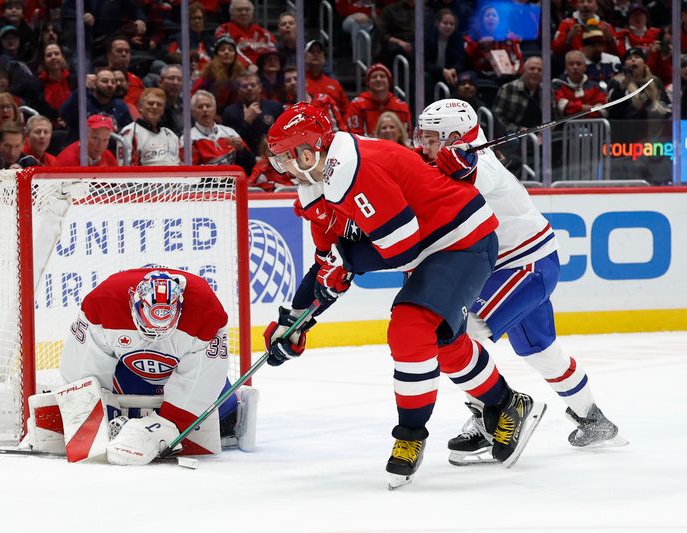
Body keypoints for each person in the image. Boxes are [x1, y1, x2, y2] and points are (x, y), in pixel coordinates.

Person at [265, 102, 546, 487]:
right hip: (433, 248)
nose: (280, 168)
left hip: (462, 240)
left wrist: (344, 264)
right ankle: (506, 403)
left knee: (410, 329)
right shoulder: (315, 185)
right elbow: (326, 260)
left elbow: (400, 248)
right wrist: (293, 321)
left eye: (284, 158)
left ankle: (410, 437)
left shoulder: (353, 168)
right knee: (446, 345)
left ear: (307, 151)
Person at [414, 99, 625, 464]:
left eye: (432, 138)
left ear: (452, 137)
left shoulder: (482, 163)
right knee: (542, 352)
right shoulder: (451, 160)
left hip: (527, 266)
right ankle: (594, 420)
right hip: (522, 266)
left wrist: (466, 167)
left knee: (454, 333)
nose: (423, 145)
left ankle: (495, 415)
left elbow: (479, 174)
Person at [56, 268, 255, 463]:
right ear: (134, 302)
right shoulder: (104, 302)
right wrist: (85, 414)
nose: (156, 337)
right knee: (122, 402)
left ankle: (226, 408)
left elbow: (204, 377)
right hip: (130, 371)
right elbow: (83, 369)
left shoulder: (206, 311)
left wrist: (167, 426)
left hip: (177, 369)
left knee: (223, 413)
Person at [183, 90, 255, 171]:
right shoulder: (188, 138)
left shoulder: (230, 132)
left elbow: (251, 165)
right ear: (193, 112)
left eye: (208, 106)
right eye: (200, 107)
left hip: (233, 180)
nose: (205, 110)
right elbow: (190, 172)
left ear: (215, 109)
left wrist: (241, 150)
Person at [59, 65, 133, 142]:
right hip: (82, 149)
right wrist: (83, 88)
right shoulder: (82, 101)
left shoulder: (120, 105)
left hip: (110, 150)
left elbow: (128, 131)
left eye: (113, 82)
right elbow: (64, 113)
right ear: (94, 84)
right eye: (105, 81)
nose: (110, 85)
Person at [221, 72, 283, 157]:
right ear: (238, 90)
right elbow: (231, 143)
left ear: (260, 87)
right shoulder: (230, 112)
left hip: (272, 157)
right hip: (244, 159)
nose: (249, 88)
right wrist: (246, 122)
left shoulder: (275, 107)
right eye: (244, 86)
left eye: (253, 85)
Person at [344, 63, 412, 138]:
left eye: (382, 76)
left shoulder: (401, 106)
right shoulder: (357, 105)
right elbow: (354, 135)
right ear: (368, 83)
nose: (378, 79)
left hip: (396, 148)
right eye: (374, 77)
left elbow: (407, 135)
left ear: (389, 81)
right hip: (366, 148)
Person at [120, 88, 180, 166]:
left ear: (163, 110)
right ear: (140, 107)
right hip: (145, 177)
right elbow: (125, 168)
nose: (155, 107)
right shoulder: (130, 132)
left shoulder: (171, 135)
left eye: (159, 104)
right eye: (150, 103)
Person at [192, 35, 247, 116]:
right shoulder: (209, 72)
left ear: (235, 55)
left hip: (231, 113)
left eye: (230, 50)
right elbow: (194, 94)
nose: (226, 52)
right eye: (222, 50)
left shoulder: (240, 72)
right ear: (217, 54)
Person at [213, 0, 275, 67]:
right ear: (231, 14)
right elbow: (225, 53)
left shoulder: (264, 33)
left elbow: (274, 52)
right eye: (239, 10)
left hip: (262, 70)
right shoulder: (224, 30)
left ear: (252, 13)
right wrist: (247, 65)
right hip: (236, 70)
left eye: (247, 10)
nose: (243, 13)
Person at [552, 50, 608, 118]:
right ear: (566, 67)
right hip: (565, 127)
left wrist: (573, 107)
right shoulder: (558, 85)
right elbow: (562, 107)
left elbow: (602, 111)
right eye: (571, 64)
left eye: (578, 64)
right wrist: (585, 108)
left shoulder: (596, 87)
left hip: (591, 126)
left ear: (585, 67)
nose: (575, 67)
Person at [54, 113, 118, 167]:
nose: (100, 145)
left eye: (105, 140)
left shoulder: (109, 157)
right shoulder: (67, 160)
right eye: (95, 138)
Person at [305, 40, 349, 113]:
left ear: (324, 58)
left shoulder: (334, 84)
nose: (315, 54)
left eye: (319, 52)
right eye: (312, 52)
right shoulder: (299, 83)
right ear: (304, 57)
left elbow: (346, 110)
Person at [158, 64, 184, 136]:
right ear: (160, 82)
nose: (175, 83)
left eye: (179, 79)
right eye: (171, 78)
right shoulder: (155, 104)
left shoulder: (186, 105)